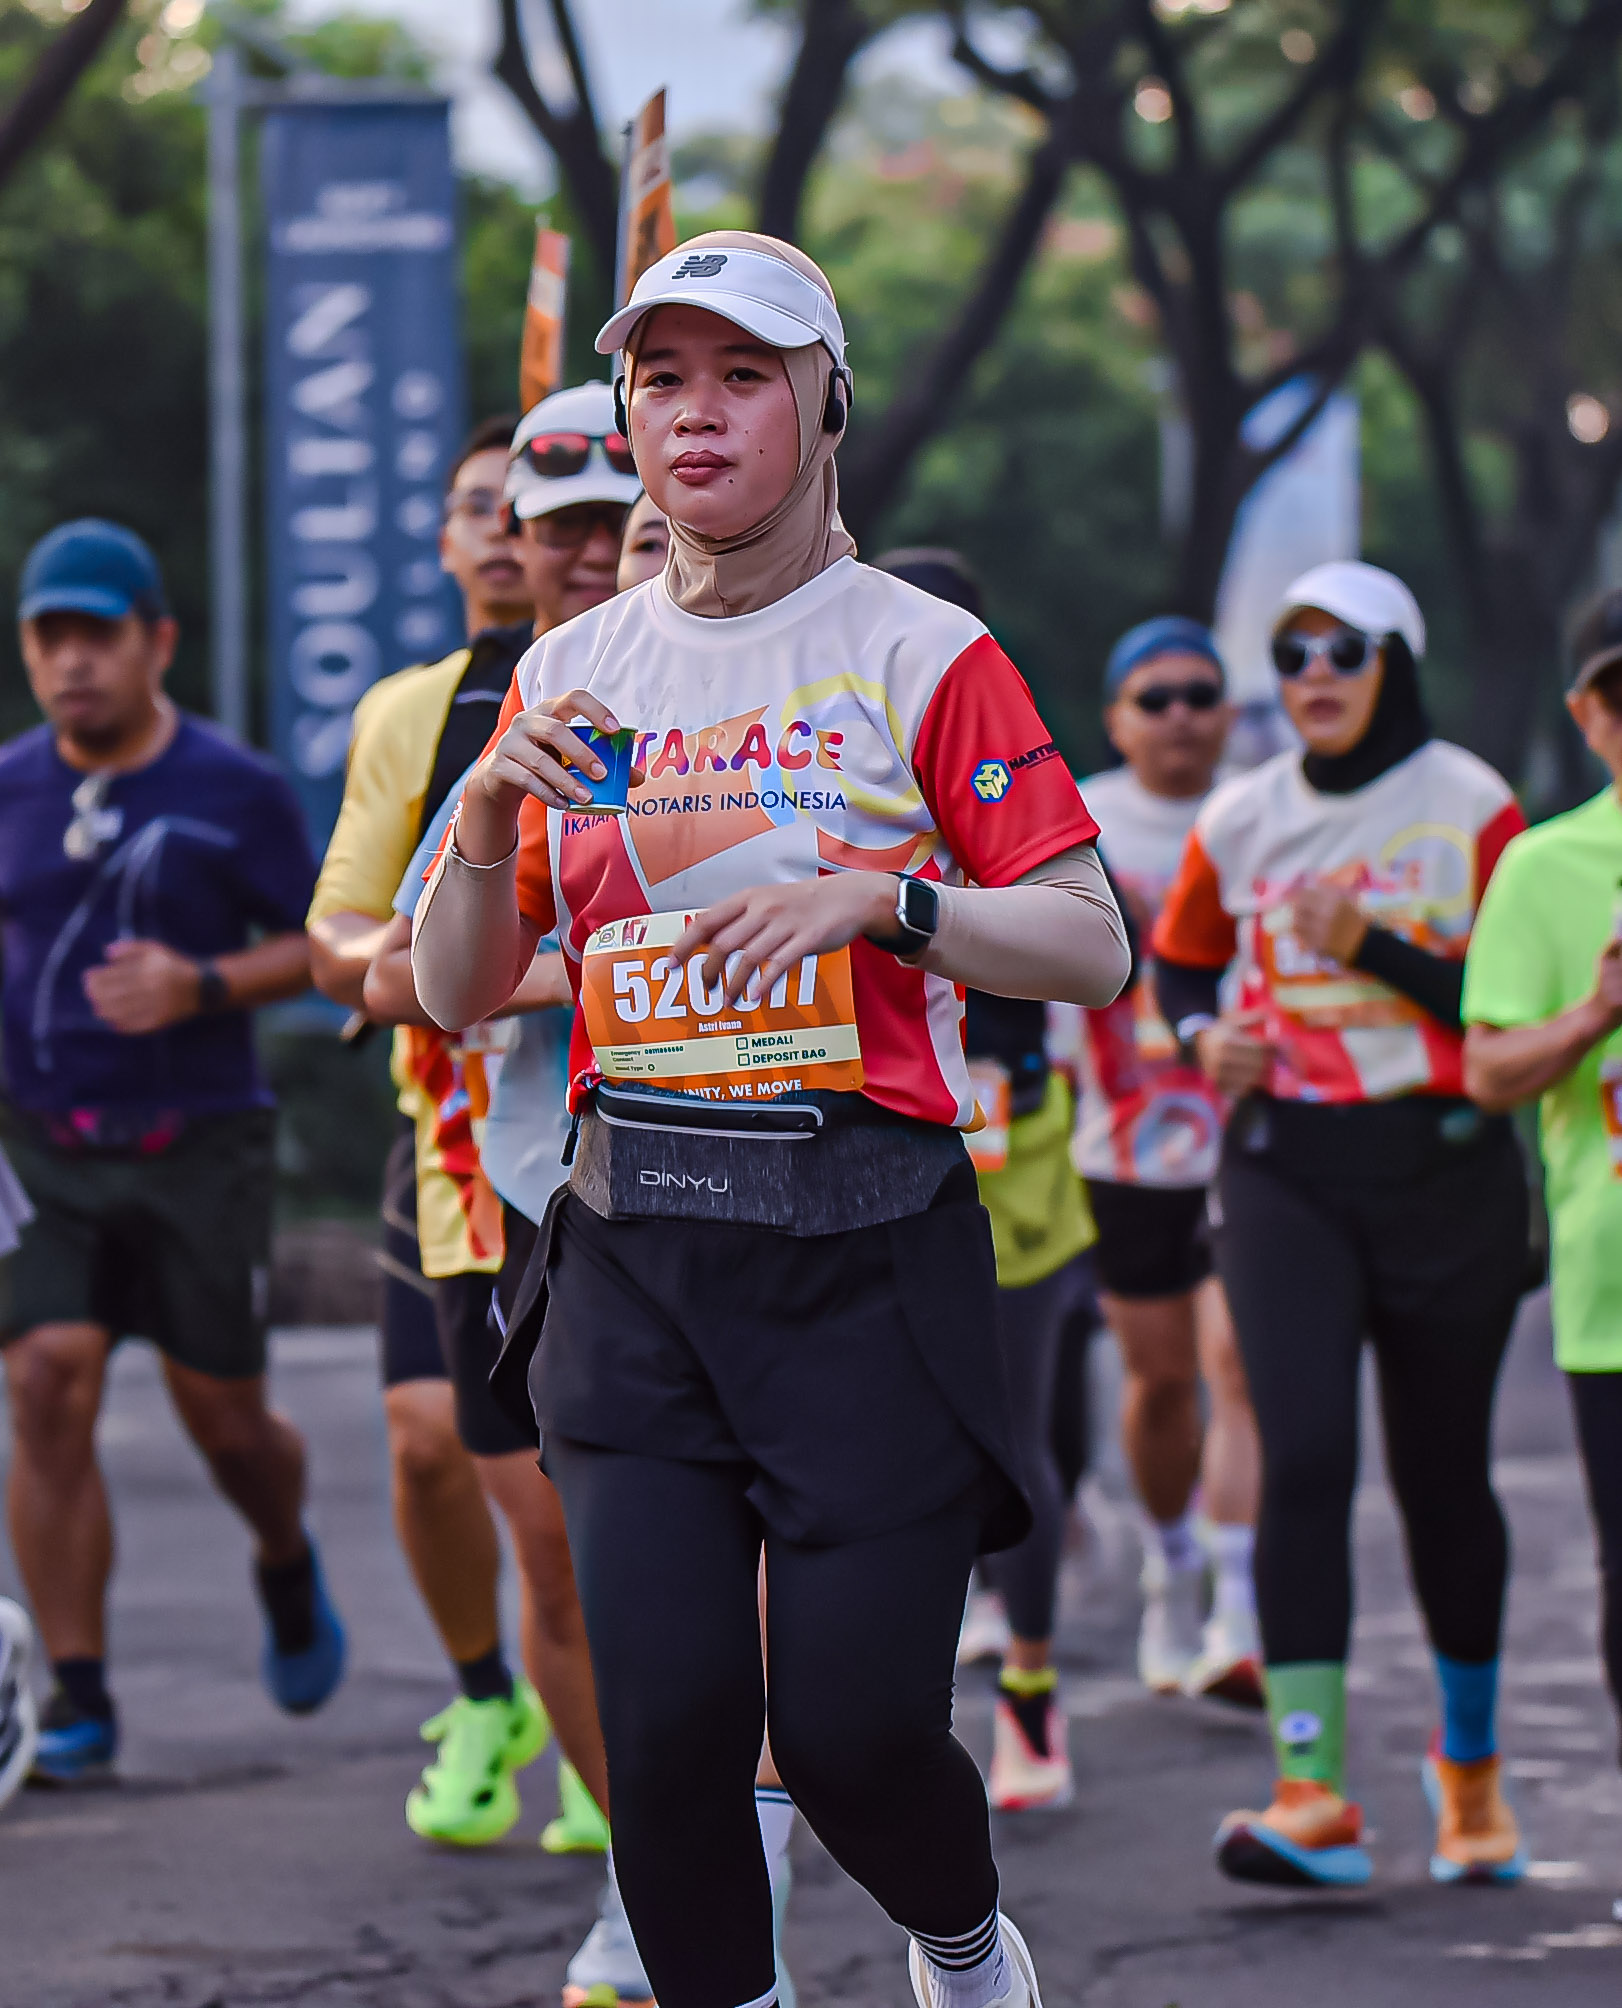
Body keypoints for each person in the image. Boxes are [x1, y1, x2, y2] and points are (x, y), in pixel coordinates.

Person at [412, 229, 1129, 2008]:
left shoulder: (921, 653)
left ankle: (964, 1949)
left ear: (826, 409)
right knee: (663, 1737)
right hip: (632, 1248)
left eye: (744, 376)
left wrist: (887, 903)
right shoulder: (571, 669)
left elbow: (1089, 941)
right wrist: (487, 818)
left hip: (863, 1247)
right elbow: (454, 983)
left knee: (852, 1735)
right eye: (662, 379)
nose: (698, 414)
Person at [1153, 560, 1531, 1889]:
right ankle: (1307, 1788)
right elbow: (1178, 963)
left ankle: (1468, 1772)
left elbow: (1510, 999)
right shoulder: (1241, 815)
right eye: (1292, 652)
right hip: (1285, 1172)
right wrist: (1203, 1037)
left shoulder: (1470, 805)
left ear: (1396, 666)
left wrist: (1370, 944)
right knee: (1303, 1452)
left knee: (1440, 1476)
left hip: (1443, 1169)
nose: (1313, 676)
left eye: (1343, 652)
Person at [308, 401, 635, 1851]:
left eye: (616, 525)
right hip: (481, 1166)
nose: (585, 553)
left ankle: (714, 1843)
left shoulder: (753, 693)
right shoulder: (446, 722)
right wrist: (481, 963)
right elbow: (364, 952)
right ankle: (612, 1830)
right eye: (554, 524)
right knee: (528, 1526)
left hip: (721, 1167)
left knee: (722, 1558)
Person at [0, 519, 343, 1781]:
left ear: (158, 642)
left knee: (228, 1425)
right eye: (50, 637)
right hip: (43, 1144)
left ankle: (284, 1556)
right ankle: (77, 1696)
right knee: (46, 1379)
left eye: (97, 636)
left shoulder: (232, 787)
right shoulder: (9, 786)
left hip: (198, 1143)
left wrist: (202, 982)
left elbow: (324, 945)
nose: (72, 662)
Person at [878, 547, 1096, 1814]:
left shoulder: (1009, 764)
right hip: (859, 1148)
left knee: (1012, 1439)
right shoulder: (824, 761)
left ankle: (1030, 1693)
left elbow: (1098, 947)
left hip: (1009, 1157)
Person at [1462, 588, 1622, 1899]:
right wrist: (1590, 1015)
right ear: (1584, 712)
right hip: (1608, 1293)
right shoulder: (1544, 867)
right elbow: (1487, 1068)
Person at [1073, 618, 1261, 1705]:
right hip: (1122, 1142)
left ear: (1228, 714)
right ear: (1117, 719)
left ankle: (1237, 1612)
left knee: (1236, 1366)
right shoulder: (1079, 815)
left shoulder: (1261, 814)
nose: (1179, 716)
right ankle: (1171, 1571)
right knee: (1159, 1384)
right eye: (1155, 698)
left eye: (1199, 695)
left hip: (1250, 1141)